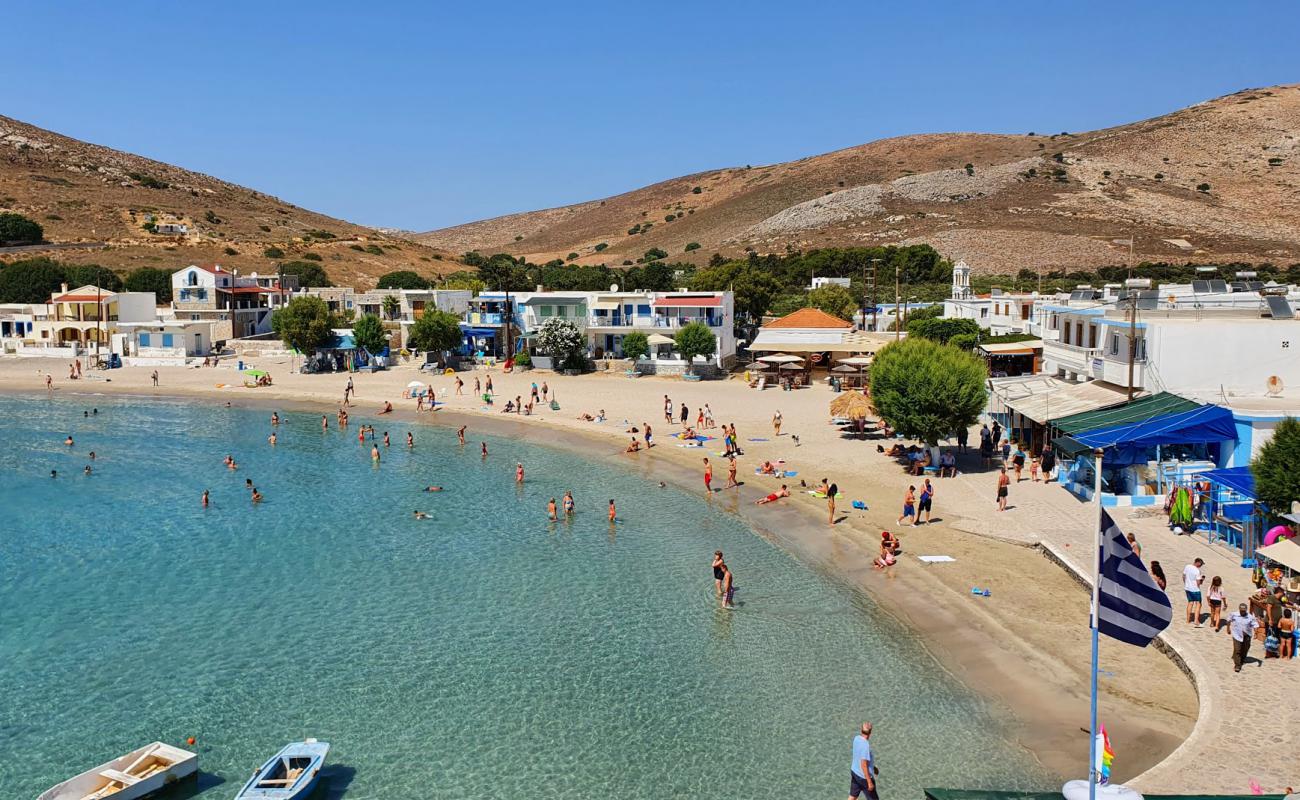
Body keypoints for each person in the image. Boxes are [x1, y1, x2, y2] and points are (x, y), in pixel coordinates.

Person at [848, 722, 879, 800]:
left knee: (853, 796)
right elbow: (863, 764)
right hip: (864, 778)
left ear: (861, 730)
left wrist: (873, 767)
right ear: (870, 732)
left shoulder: (856, 738)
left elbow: (859, 755)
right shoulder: (866, 745)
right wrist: (869, 782)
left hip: (855, 772)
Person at [1228, 603, 1259, 672]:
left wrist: (1256, 633)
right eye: (1241, 611)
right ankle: (1237, 665)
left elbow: (1255, 625)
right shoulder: (1234, 614)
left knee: (1245, 649)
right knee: (1237, 649)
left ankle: (1240, 658)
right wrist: (1228, 629)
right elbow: (1229, 620)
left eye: (1244, 611)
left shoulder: (1250, 617)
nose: (1242, 612)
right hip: (1237, 635)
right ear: (1239, 609)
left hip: (1247, 635)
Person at [1183, 558, 1205, 626]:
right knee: (1198, 604)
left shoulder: (1187, 566)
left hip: (1187, 588)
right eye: (1201, 564)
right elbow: (1198, 582)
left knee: (1190, 603)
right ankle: (1196, 621)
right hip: (1195, 590)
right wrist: (1202, 580)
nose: (1201, 566)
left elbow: (1184, 576)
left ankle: (1188, 620)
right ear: (1198, 563)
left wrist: (1186, 583)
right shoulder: (1197, 571)